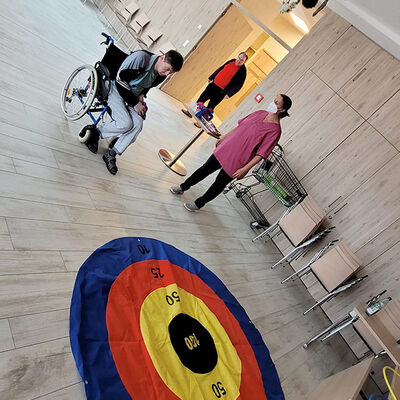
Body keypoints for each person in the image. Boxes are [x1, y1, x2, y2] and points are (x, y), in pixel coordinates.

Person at [170, 94, 292, 211]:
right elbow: (240, 126)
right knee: (204, 169)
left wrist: (245, 169)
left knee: (219, 183)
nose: (272, 103)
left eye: (276, 103)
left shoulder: (275, 131)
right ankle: (183, 187)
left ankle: (199, 204)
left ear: (282, 110)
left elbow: (261, 154)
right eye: (274, 100)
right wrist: (224, 137)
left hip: (239, 160)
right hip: (227, 148)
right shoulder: (260, 113)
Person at [85, 49, 184, 175]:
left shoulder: (161, 74)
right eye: (168, 69)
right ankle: (94, 133)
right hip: (114, 88)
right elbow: (120, 80)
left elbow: (146, 86)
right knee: (126, 123)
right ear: (162, 58)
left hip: (132, 96)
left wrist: (141, 97)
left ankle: (111, 154)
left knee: (137, 124)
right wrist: (135, 103)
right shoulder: (141, 58)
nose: (167, 74)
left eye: (171, 72)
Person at [181, 52, 248, 118]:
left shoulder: (242, 71)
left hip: (221, 92)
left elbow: (239, 85)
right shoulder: (232, 60)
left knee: (210, 108)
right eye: (239, 58)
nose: (239, 60)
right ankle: (190, 112)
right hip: (213, 85)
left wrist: (229, 94)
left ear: (244, 62)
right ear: (238, 56)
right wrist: (212, 77)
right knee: (201, 99)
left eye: (241, 60)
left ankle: (200, 121)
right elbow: (221, 68)